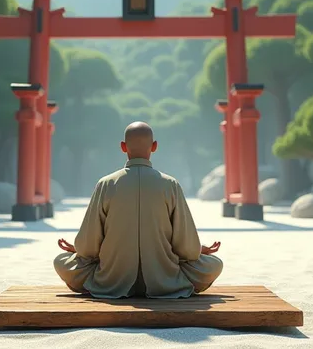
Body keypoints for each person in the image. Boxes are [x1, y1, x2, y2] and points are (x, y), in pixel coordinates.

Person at [53, 121, 223, 299]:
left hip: (112, 279)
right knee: (214, 264)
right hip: (164, 280)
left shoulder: (106, 184)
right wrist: (197, 249)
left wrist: (78, 249)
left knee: (61, 261)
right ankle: (175, 287)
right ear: (154, 146)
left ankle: (97, 287)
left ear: (123, 147)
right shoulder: (170, 185)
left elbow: (88, 248)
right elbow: (187, 249)